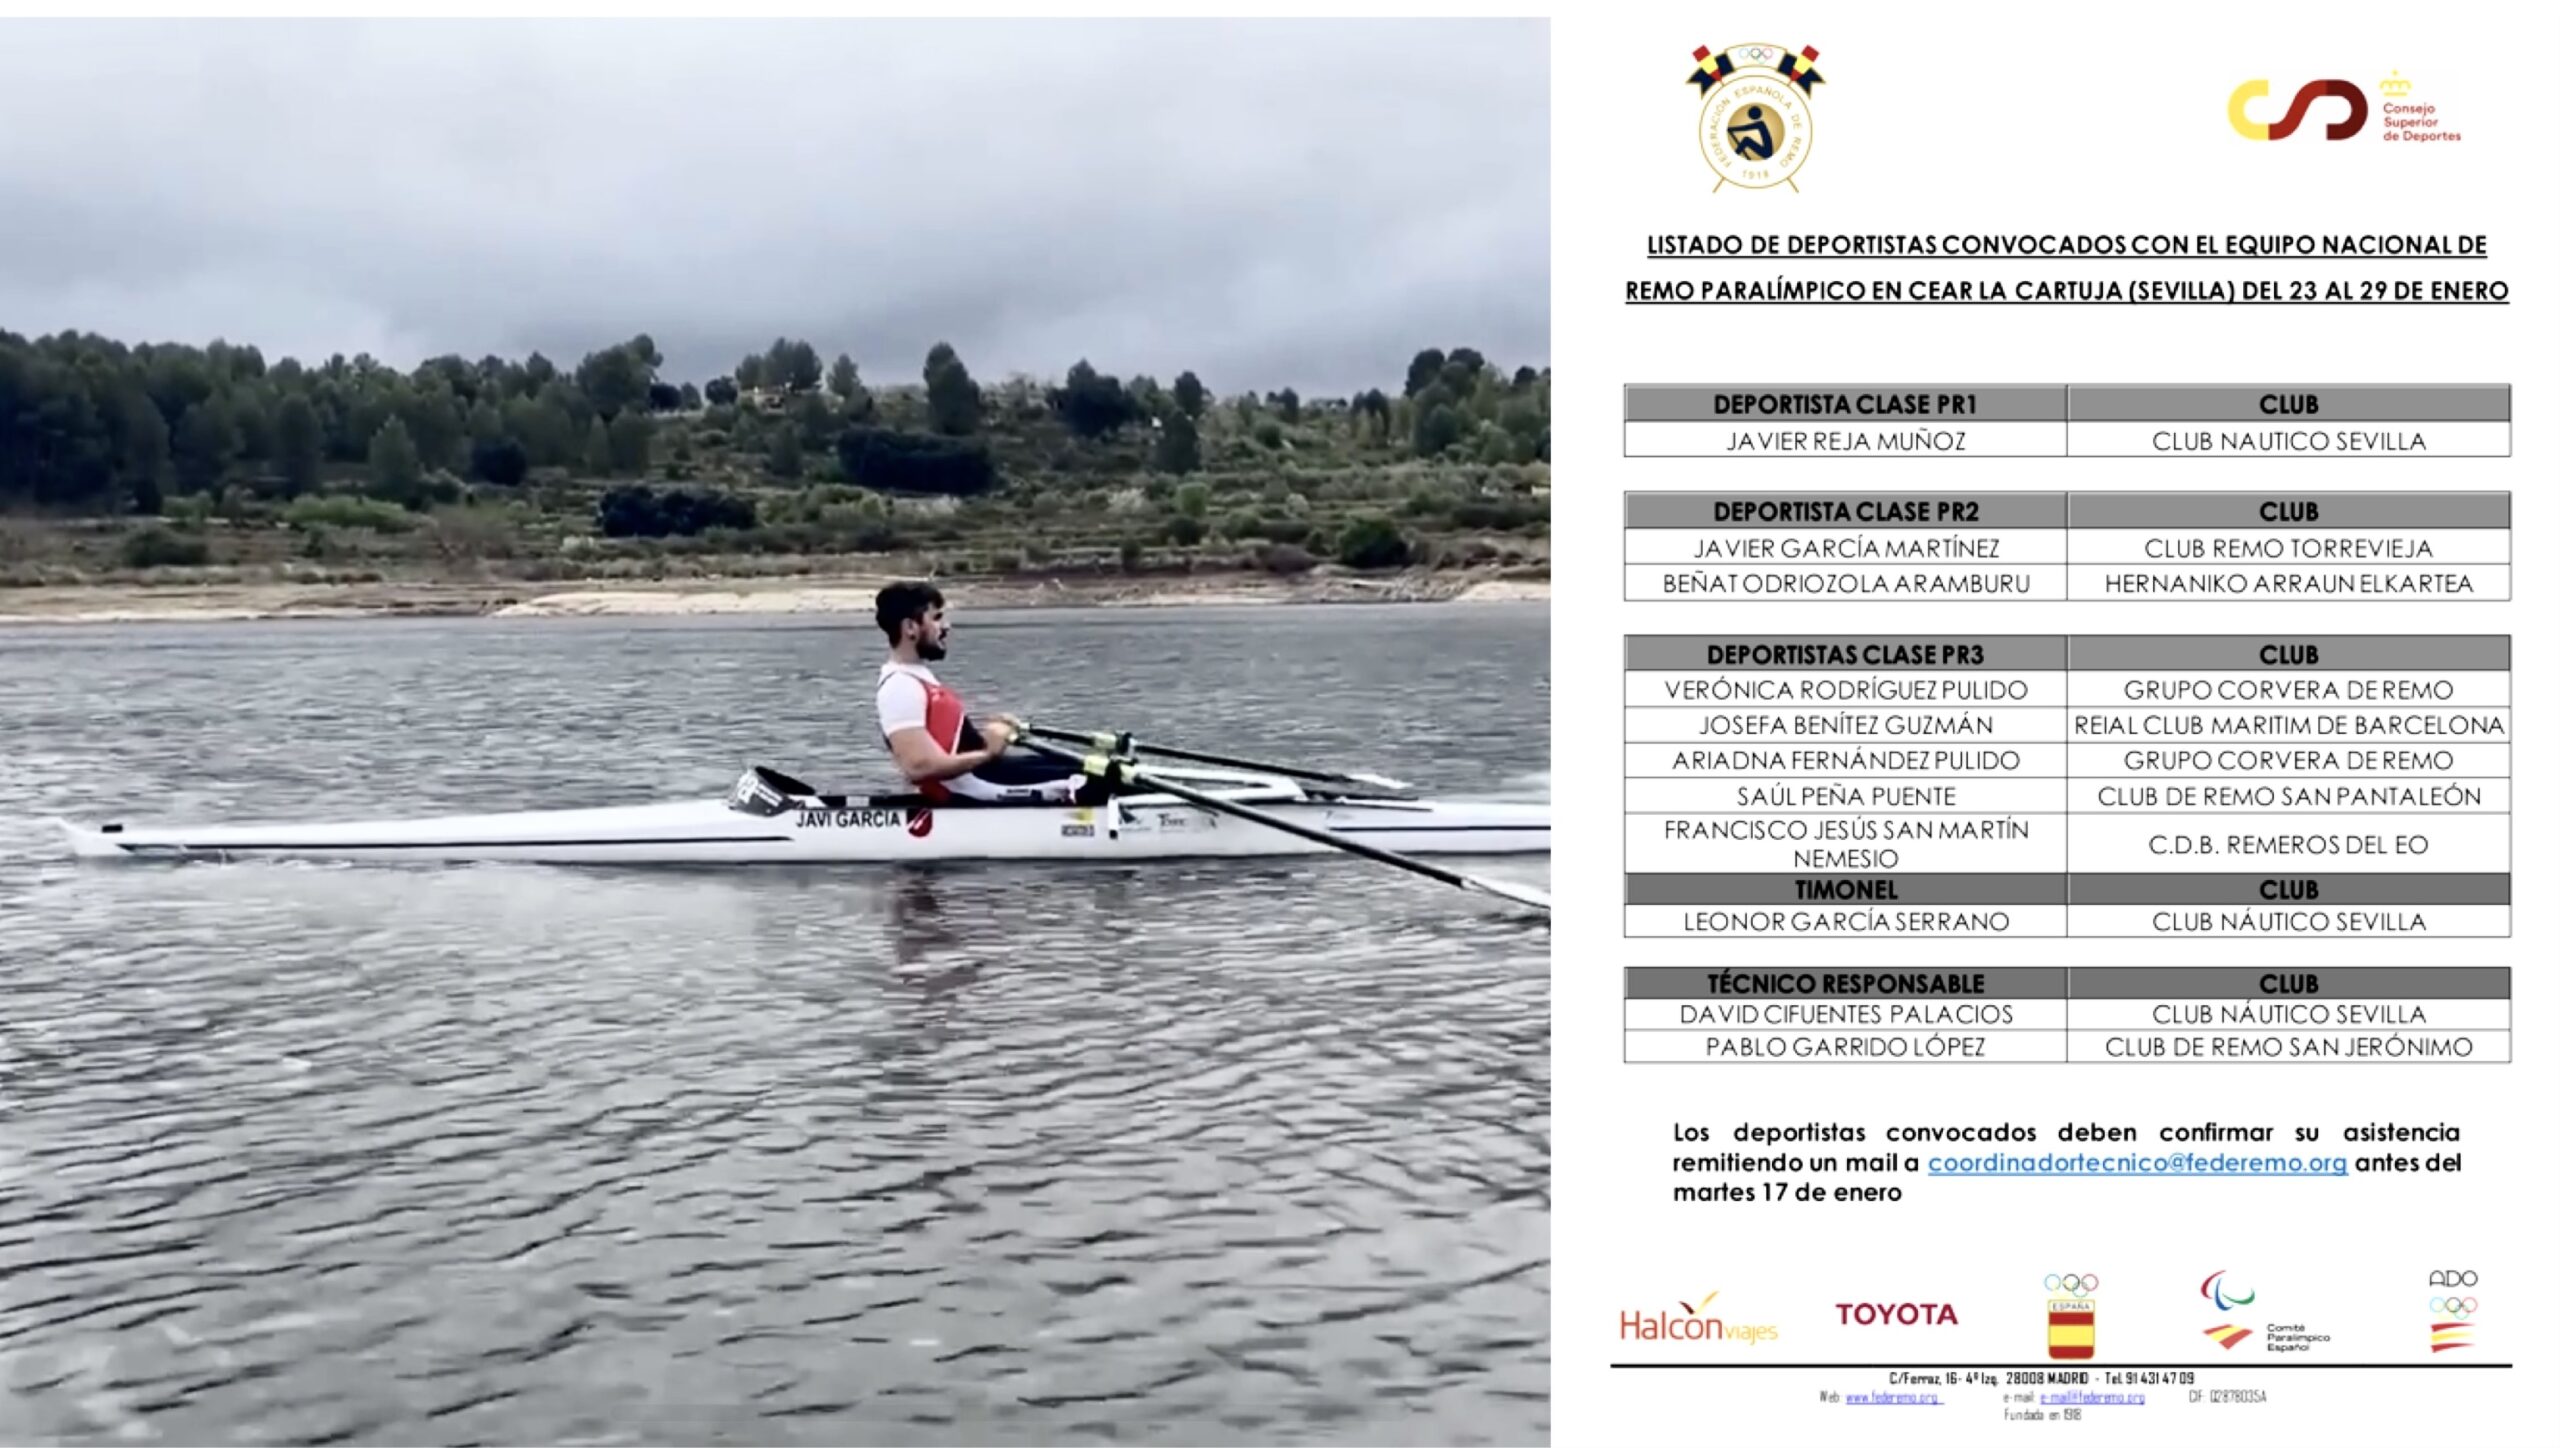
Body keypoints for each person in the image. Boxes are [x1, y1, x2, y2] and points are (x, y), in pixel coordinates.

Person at [872, 580, 1106, 805]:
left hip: (980, 776)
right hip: (971, 787)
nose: (946, 626)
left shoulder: (917, 676)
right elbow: (919, 767)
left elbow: (953, 747)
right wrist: (989, 753)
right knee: (1095, 783)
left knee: (1098, 769)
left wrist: (990, 738)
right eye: (937, 618)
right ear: (910, 627)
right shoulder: (899, 686)